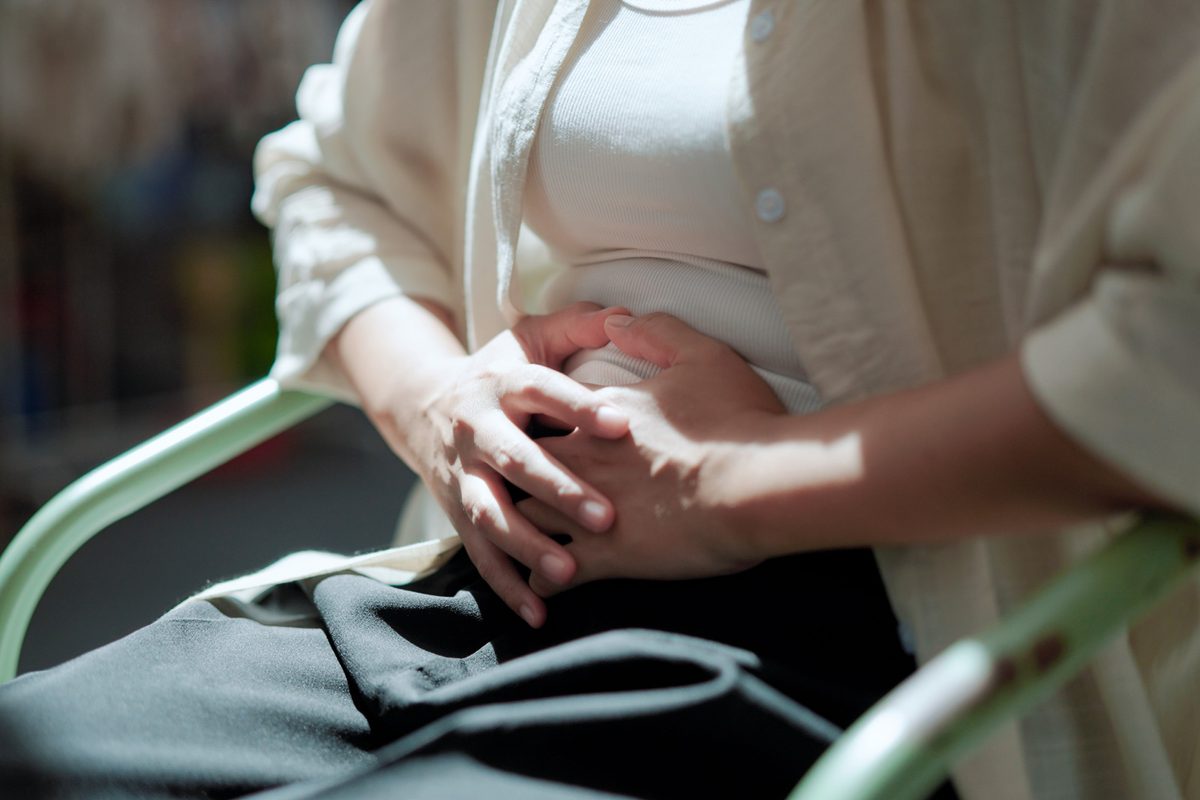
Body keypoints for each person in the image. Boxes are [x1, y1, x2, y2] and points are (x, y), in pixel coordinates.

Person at [2, 1, 1199, 798]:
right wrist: (438, 408)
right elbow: (335, 182)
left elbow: (1172, 349)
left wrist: (730, 486)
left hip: (881, 654)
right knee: (37, 750)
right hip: (489, 601)